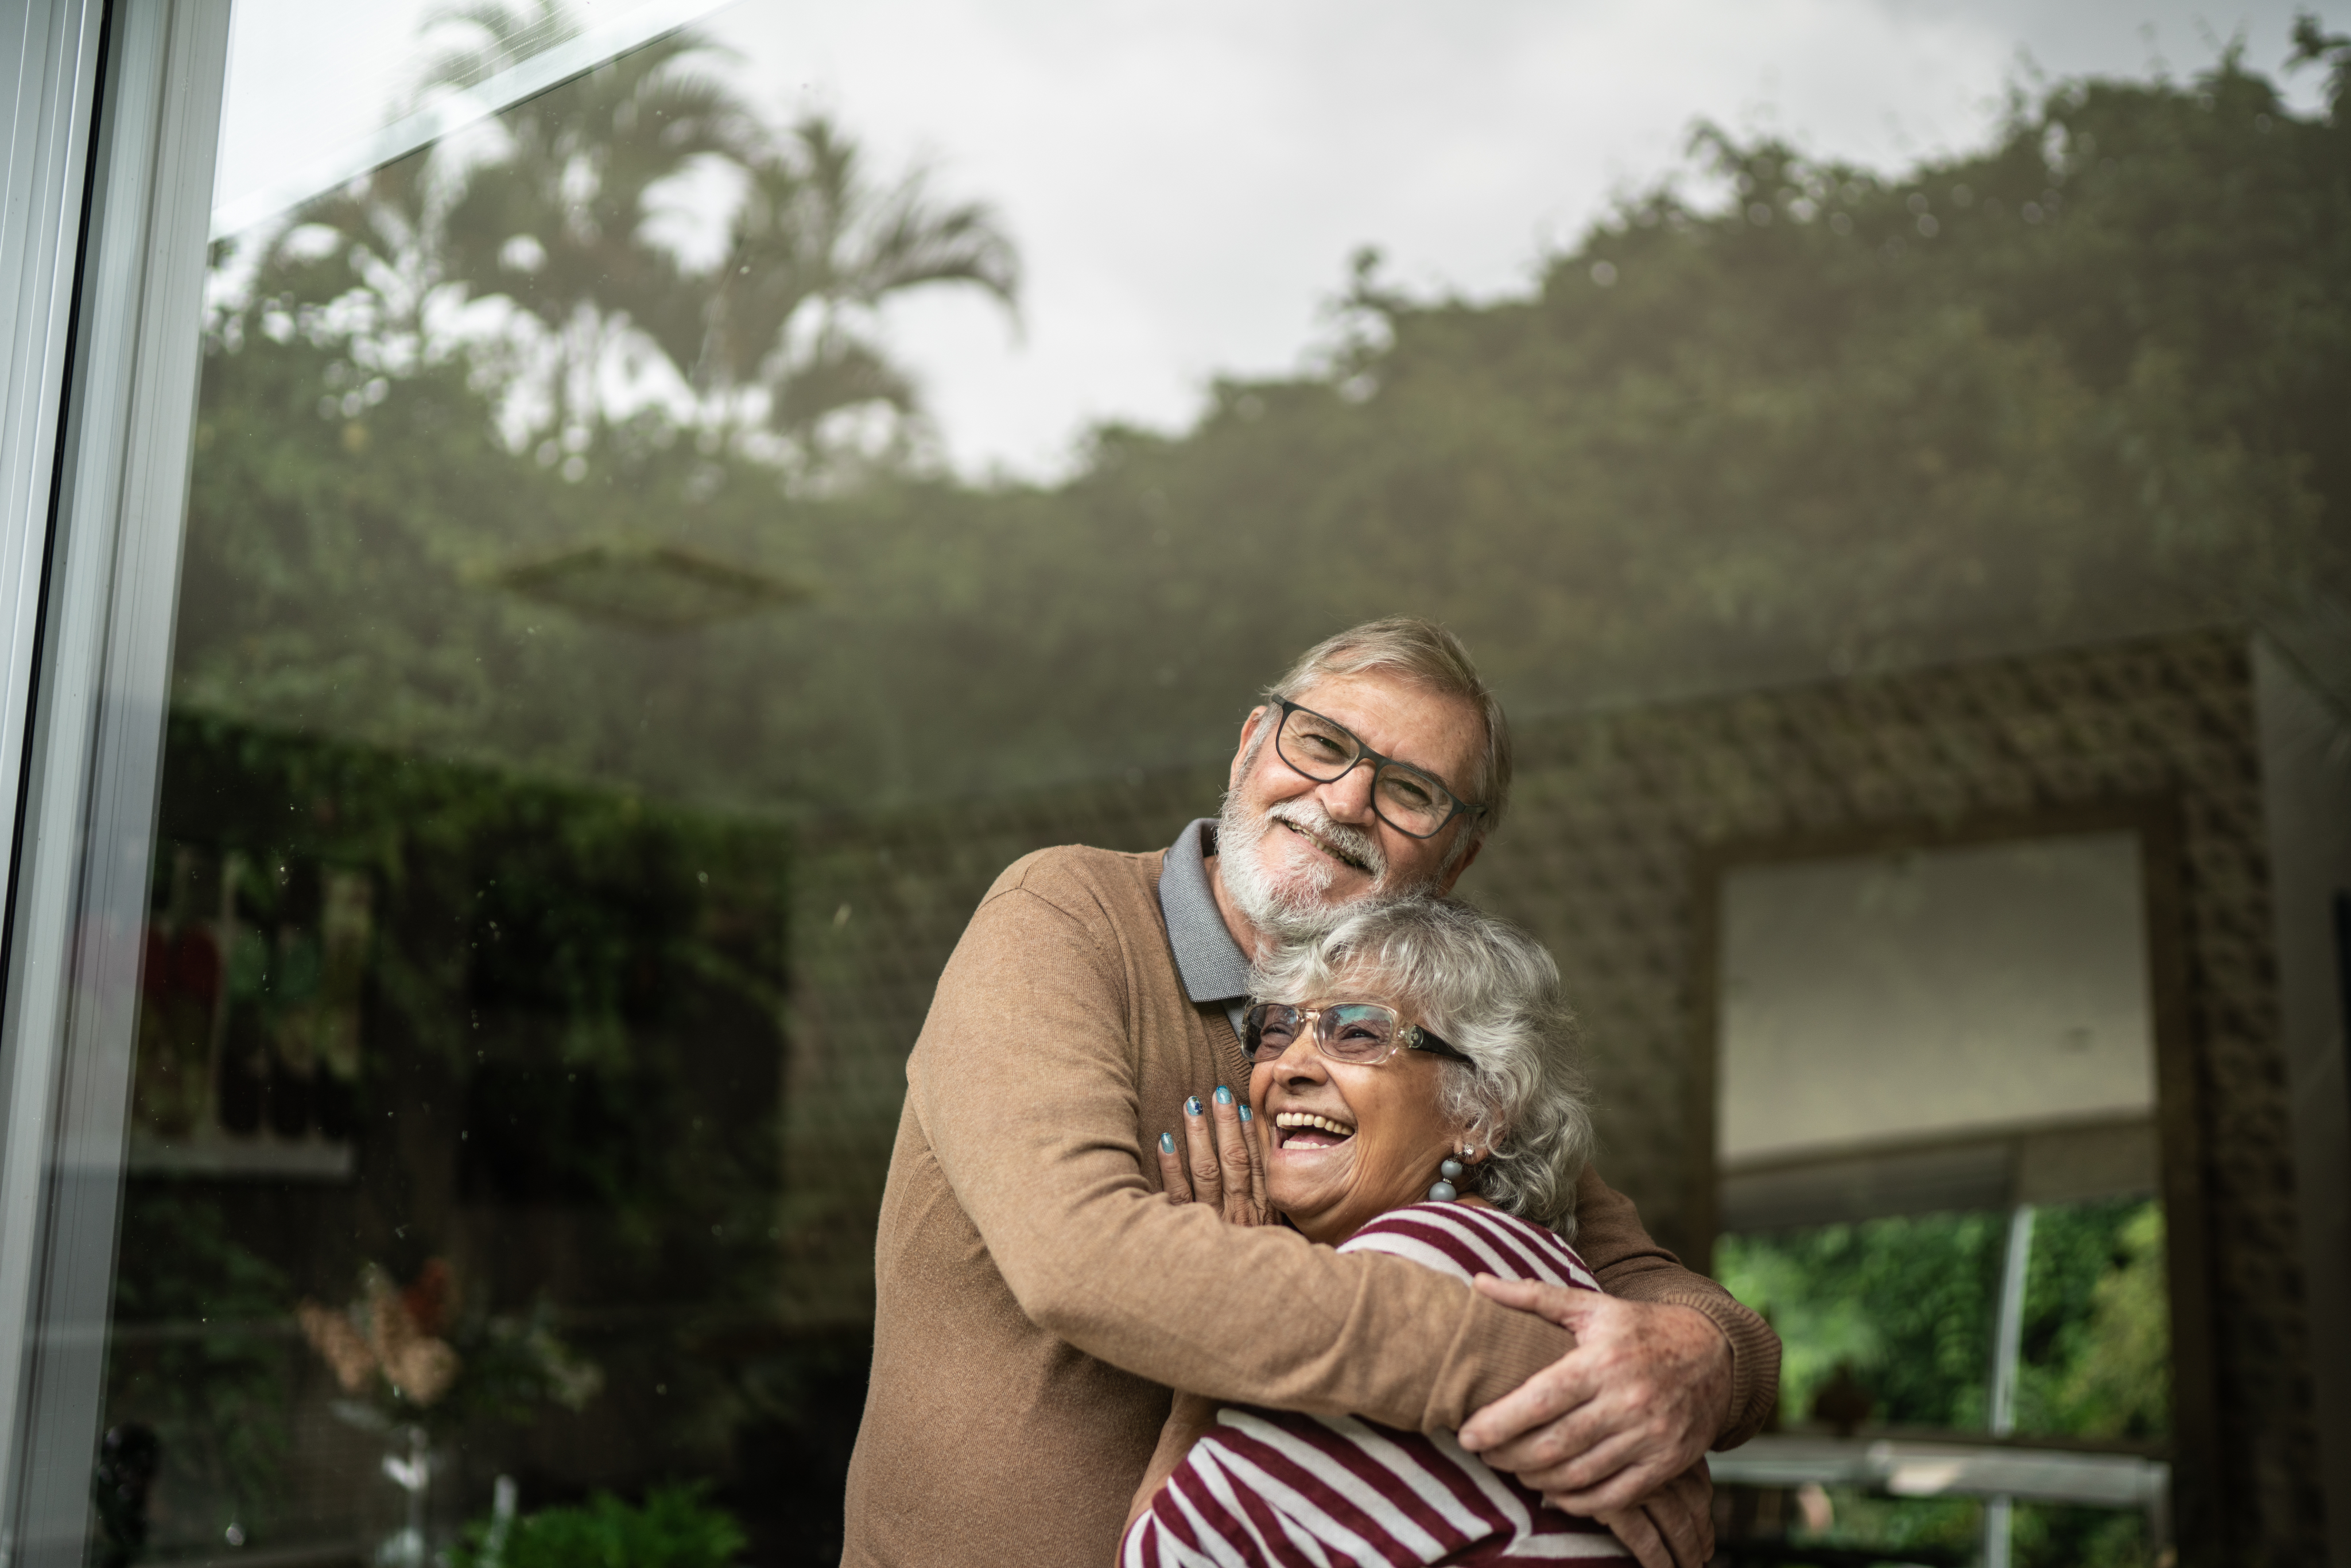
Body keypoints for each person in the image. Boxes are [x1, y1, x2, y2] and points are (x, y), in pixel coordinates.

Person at [843, 619, 1778, 1568]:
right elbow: (1080, 1259)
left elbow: (1639, 1279)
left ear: (1455, 863)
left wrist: (1699, 1365)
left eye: (1409, 790)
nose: (1344, 799)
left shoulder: (1438, 1046)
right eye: (1324, 743)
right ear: (1252, 745)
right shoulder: (1064, 914)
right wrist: (1551, 1375)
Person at [1124, 897, 1632, 1565]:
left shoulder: (1429, 1254)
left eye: (1359, 1032)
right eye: (1276, 1030)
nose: (1289, 1065)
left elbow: (1164, 1556)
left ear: (1480, 1113)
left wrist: (1215, 1333)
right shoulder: (1516, 1255)